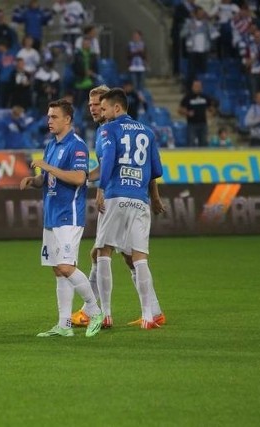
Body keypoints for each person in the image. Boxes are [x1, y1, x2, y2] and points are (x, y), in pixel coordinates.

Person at [71, 85, 165, 329]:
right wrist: (153, 196)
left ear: (112, 107)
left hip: (115, 196)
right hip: (139, 198)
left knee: (103, 253)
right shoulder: (146, 131)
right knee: (136, 257)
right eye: (91, 106)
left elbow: (107, 164)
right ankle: (150, 314)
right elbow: (153, 170)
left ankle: (102, 313)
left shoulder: (108, 130)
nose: (93, 110)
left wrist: (89, 183)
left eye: (98, 106)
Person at [20, 99, 103, 338]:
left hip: (69, 214)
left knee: (67, 266)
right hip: (52, 215)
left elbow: (79, 178)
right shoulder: (51, 145)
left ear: (67, 119)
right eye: (48, 116)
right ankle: (64, 324)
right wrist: (34, 181)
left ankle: (94, 311)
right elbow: (48, 180)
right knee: (58, 269)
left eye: (54, 117)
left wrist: (46, 166)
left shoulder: (76, 146)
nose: (49, 121)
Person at [179, 79, 217, 147]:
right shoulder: (188, 97)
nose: (197, 88)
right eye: (195, 86)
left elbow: (212, 108)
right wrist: (187, 113)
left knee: (203, 143)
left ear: (201, 87)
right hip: (192, 124)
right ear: (192, 87)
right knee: (191, 143)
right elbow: (180, 110)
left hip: (203, 124)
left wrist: (210, 114)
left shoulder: (205, 97)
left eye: (198, 86)